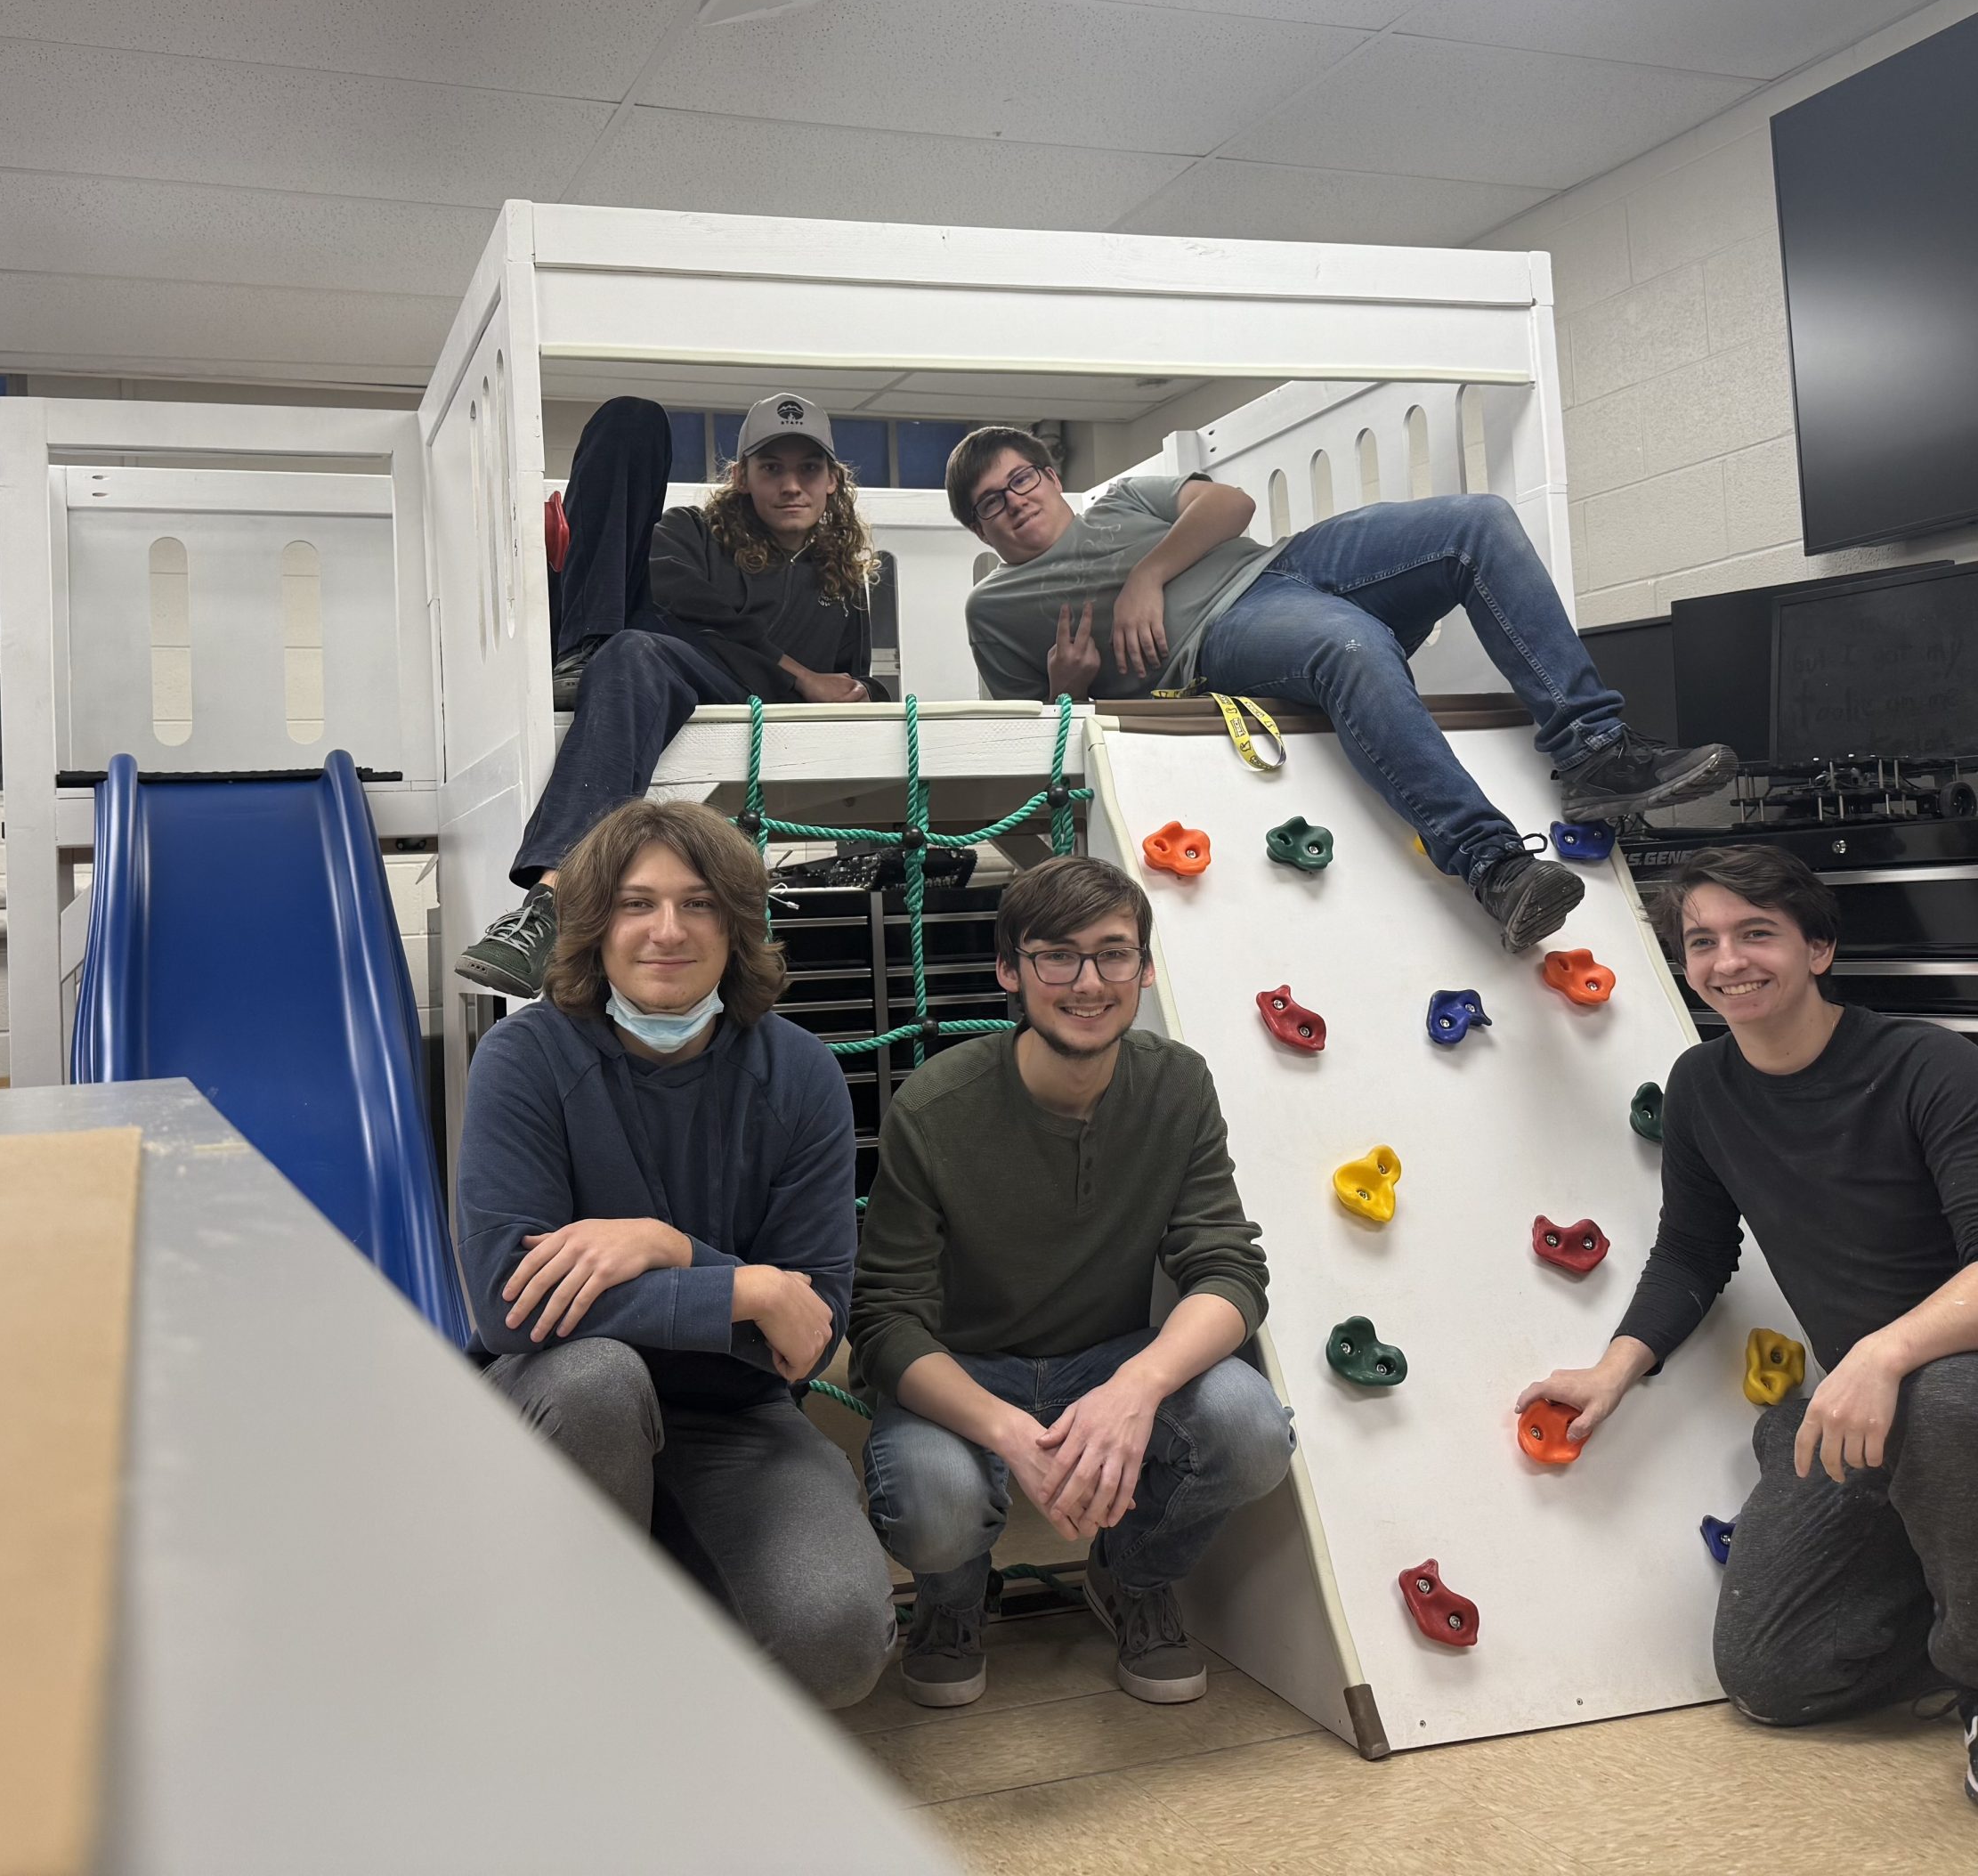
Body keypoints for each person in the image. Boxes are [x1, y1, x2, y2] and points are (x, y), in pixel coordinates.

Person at [1517, 847, 1976, 1813]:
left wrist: (1883, 1352)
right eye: (1702, 941)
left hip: (1946, 1387)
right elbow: (1690, 1253)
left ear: (1818, 948)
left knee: (1941, 1398)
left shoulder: (1929, 1064)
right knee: (1776, 1676)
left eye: (1756, 933)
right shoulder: (1701, 1088)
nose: (1728, 960)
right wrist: (1612, 1371)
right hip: (1880, 1410)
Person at [944, 425, 1736, 953]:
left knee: (1478, 521)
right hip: (1217, 643)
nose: (1017, 501)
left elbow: (1230, 506)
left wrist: (1149, 574)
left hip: (1286, 563)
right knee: (1350, 645)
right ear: (981, 531)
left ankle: (1594, 749)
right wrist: (1067, 692)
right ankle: (1495, 866)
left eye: (1023, 480)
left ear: (1051, 477)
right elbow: (1023, 761)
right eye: (993, 502)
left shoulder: (1123, 500)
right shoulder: (995, 608)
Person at [453, 798, 896, 1709]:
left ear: (736, 928)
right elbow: (510, 1307)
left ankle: (676, 1622)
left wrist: (662, 1247)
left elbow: (808, 1333)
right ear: (593, 925)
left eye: (697, 904)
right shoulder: (522, 1058)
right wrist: (744, 1288)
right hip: (555, 1405)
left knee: (837, 1638)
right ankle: (587, 1693)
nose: (666, 930)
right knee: (598, 1378)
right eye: (635, 902)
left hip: (733, 1417)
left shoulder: (800, 1074)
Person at [849, 853, 1294, 1709]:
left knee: (1250, 1430)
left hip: (1108, 1356)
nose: (1088, 982)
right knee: (934, 1500)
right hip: (968, 1368)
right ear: (1010, 971)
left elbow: (1229, 1268)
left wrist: (1138, 1386)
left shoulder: (1179, 1084)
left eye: (1114, 953)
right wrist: (1011, 1434)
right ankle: (952, 1599)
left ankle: (1131, 1575)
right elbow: (885, 1324)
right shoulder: (936, 1106)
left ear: (1145, 968)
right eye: (1057, 955)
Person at [454, 393, 882, 998]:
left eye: (808, 468)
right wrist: (799, 676)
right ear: (739, 478)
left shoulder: (846, 581)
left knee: (632, 653)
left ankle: (552, 898)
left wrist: (854, 691)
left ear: (834, 480)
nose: (791, 485)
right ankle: (551, 899)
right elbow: (686, 606)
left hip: (702, 682)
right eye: (771, 468)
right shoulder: (690, 533)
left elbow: (851, 684)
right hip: (661, 654)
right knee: (633, 420)